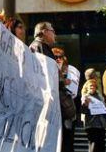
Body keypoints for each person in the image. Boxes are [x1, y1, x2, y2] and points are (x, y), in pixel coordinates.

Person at [30, 22, 76, 152]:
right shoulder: (38, 47)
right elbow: (43, 76)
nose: (54, 33)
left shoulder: (42, 47)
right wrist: (62, 82)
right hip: (48, 105)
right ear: (44, 32)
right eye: (52, 30)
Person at [81, 68, 106, 152]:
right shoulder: (85, 95)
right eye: (91, 86)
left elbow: (103, 108)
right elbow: (83, 110)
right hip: (92, 124)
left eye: (94, 86)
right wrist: (85, 104)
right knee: (94, 146)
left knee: (101, 146)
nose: (92, 87)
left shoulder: (99, 94)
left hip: (101, 124)